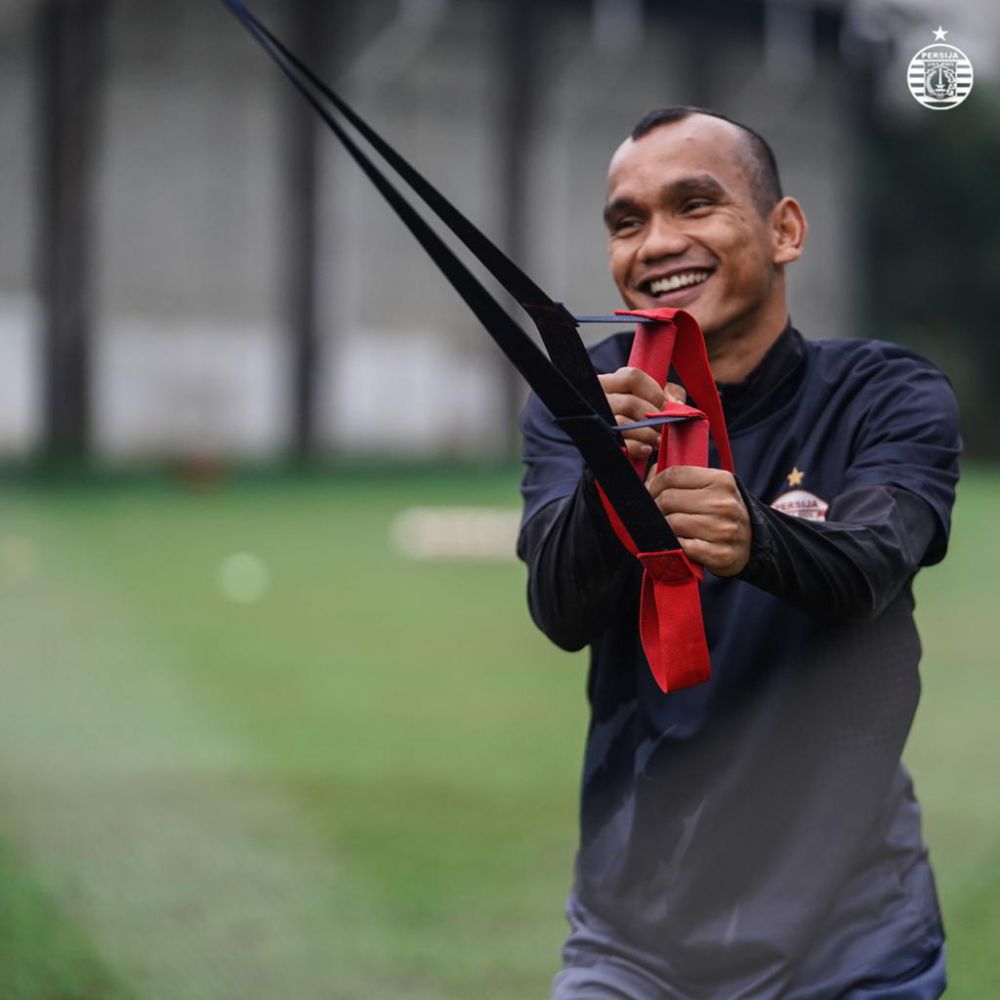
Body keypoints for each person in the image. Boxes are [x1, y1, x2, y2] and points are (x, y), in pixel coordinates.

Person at [516, 107, 961, 999]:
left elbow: (871, 564)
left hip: (852, 936)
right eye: (628, 221)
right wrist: (616, 471)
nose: (657, 244)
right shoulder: (586, 401)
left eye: (695, 205)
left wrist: (758, 538)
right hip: (633, 935)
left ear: (784, 229)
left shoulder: (887, 394)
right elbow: (559, 613)